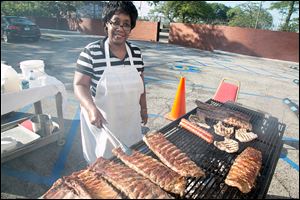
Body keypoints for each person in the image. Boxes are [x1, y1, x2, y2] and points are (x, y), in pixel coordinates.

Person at [73, 1, 147, 164]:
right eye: (116, 22)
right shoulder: (91, 52)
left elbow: (141, 83)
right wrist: (91, 109)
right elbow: (80, 85)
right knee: (104, 166)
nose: (121, 28)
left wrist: (144, 108)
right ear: (107, 24)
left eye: (126, 24)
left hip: (130, 121)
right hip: (103, 123)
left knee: (131, 163)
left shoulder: (136, 53)